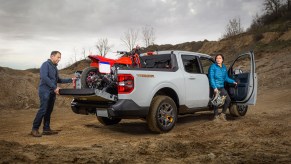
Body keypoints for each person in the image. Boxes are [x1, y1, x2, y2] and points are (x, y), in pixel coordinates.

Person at [31, 51, 74, 137]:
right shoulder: (45, 65)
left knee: (49, 110)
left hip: (51, 92)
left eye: (60, 58)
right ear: (52, 56)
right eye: (58, 57)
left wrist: (71, 79)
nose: (59, 59)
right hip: (44, 91)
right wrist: (55, 87)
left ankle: (46, 129)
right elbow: (44, 77)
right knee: (43, 109)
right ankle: (35, 129)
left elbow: (59, 80)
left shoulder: (55, 68)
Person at [208, 54, 237, 121]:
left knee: (228, 100)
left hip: (221, 87)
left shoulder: (224, 67)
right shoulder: (213, 67)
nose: (218, 59)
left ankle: (222, 114)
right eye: (217, 58)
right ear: (215, 60)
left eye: (220, 58)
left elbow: (226, 78)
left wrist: (233, 81)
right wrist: (214, 87)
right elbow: (211, 78)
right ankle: (216, 117)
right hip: (215, 87)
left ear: (222, 59)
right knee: (216, 102)